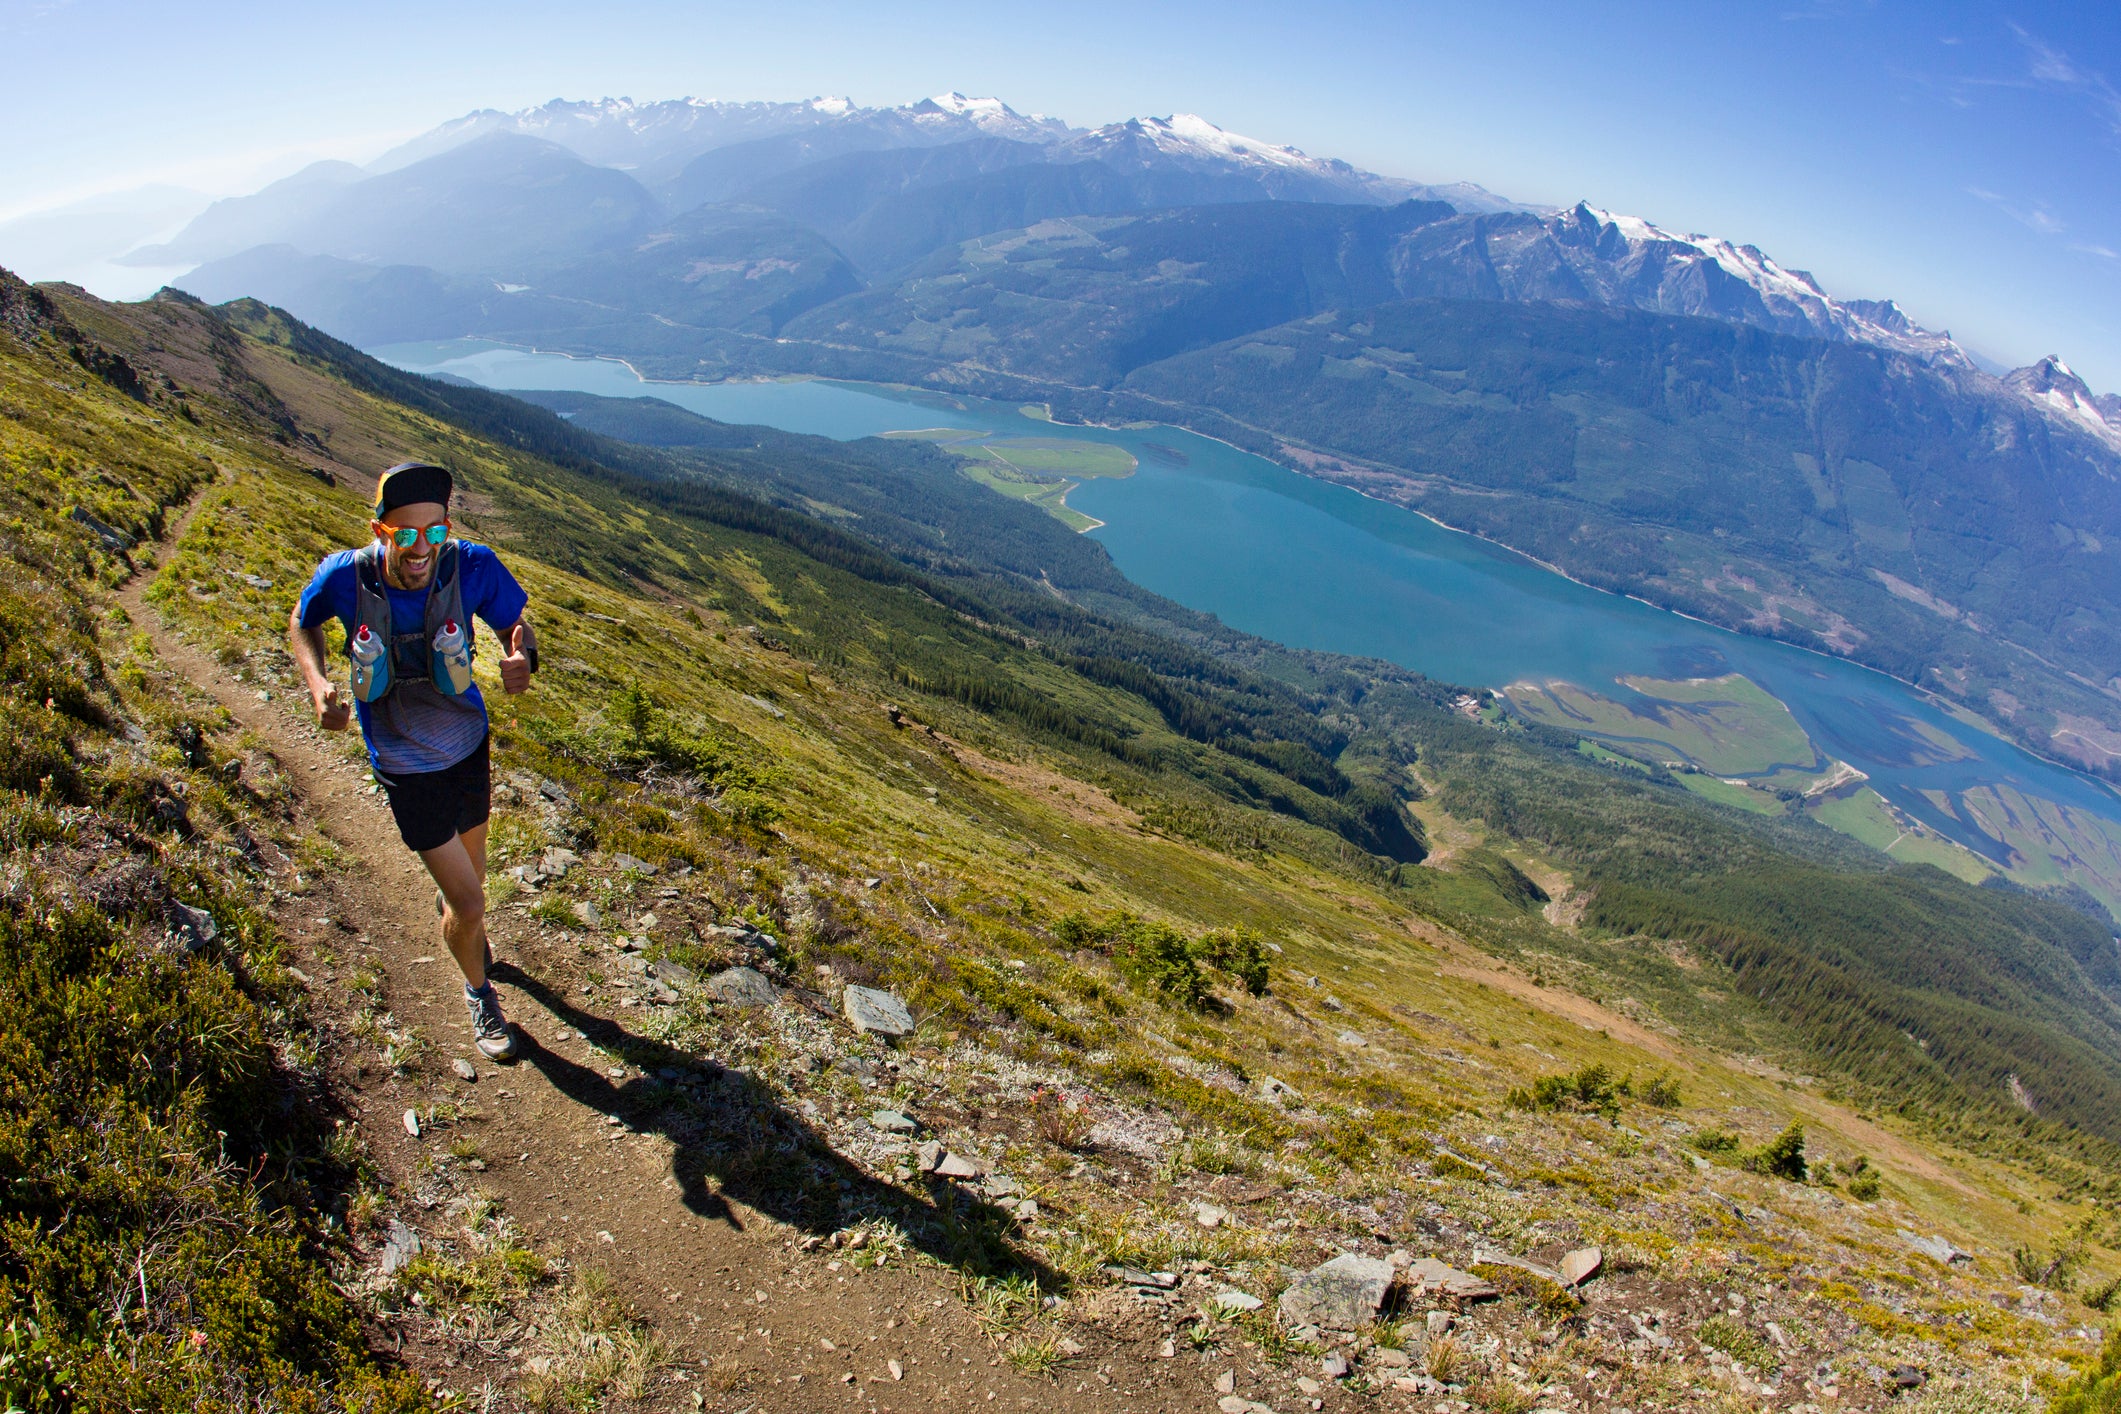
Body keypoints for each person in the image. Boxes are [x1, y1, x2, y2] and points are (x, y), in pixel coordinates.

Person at [288, 461, 538, 1061]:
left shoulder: (469, 564)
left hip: (466, 743)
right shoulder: (345, 577)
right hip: (403, 760)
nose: (421, 546)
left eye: (434, 530)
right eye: (405, 534)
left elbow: (516, 626)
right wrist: (317, 684)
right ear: (381, 532)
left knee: (473, 874)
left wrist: (520, 656)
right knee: (472, 902)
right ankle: (480, 993)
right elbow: (303, 621)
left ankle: (460, 917)